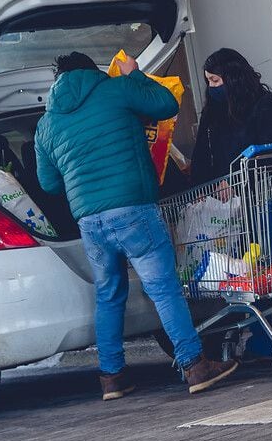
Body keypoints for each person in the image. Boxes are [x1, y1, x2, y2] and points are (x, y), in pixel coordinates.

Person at [35, 51, 238, 400]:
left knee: (109, 295)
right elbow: (165, 104)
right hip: (132, 209)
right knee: (163, 288)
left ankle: (112, 378)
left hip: (89, 220)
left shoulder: (46, 124)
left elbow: (49, 184)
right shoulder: (116, 89)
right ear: (93, 70)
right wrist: (135, 75)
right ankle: (195, 365)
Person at [190, 47, 272, 359]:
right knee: (247, 274)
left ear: (233, 78)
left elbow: (271, 152)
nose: (212, 87)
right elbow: (203, 155)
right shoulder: (214, 113)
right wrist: (201, 186)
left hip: (270, 195)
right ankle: (262, 339)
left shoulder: (267, 105)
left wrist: (234, 180)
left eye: (216, 80)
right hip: (233, 207)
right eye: (208, 81)